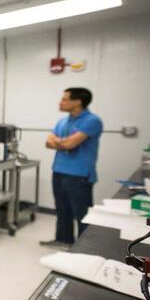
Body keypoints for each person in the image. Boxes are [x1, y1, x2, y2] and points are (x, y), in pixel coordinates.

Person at [40, 88, 103, 248]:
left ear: (77, 102)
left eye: (65, 99)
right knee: (62, 210)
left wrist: (61, 142)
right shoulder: (63, 121)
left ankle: (84, 247)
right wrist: (65, 143)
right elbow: (48, 142)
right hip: (59, 171)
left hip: (79, 174)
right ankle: (63, 240)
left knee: (82, 213)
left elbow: (71, 144)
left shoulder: (92, 121)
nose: (60, 102)